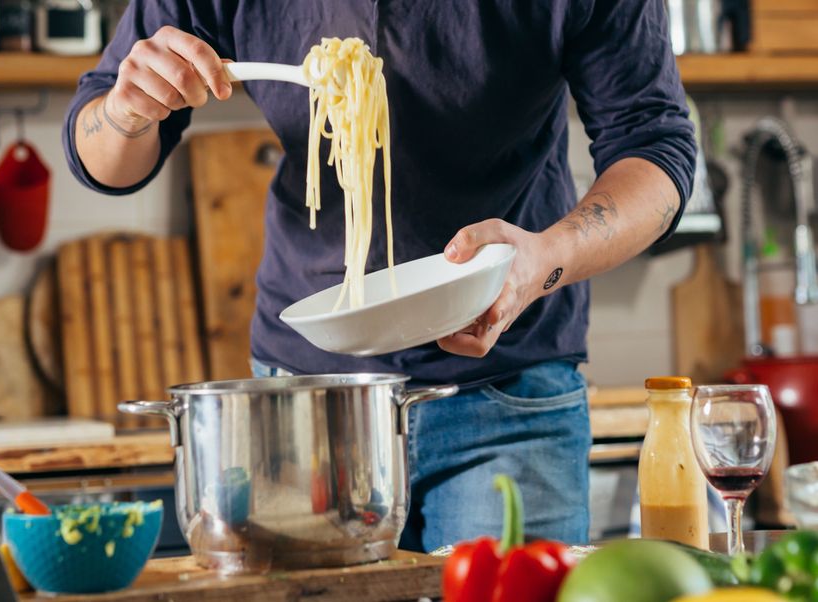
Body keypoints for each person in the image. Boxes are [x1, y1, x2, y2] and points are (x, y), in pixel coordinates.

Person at [63, 1, 695, 550]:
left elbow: (657, 148)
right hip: (305, 405)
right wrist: (127, 111)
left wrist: (542, 259)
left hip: (507, 392)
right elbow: (101, 155)